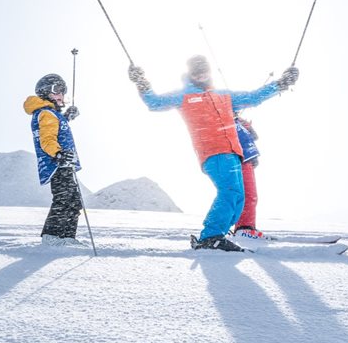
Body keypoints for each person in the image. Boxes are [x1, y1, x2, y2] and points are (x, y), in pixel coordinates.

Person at [127, 55, 298, 251]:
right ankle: (211, 236)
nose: (200, 74)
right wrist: (141, 81)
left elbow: (254, 97)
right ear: (190, 73)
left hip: (233, 152)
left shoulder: (224, 95)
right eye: (195, 71)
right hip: (213, 151)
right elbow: (154, 102)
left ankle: (218, 235)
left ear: (209, 71)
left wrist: (281, 84)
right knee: (229, 191)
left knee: (238, 197)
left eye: (203, 70)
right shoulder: (184, 96)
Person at [24, 73, 85, 246]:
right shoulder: (46, 113)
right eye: (57, 90)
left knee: (72, 200)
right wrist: (59, 154)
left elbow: (54, 129)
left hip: (62, 163)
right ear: (45, 92)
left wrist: (66, 117)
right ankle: (52, 236)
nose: (61, 94)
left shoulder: (50, 114)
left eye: (63, 91)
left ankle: (66, 238)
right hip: (57, 163)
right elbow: (47, 139)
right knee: (65, 199)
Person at [232, 113, 263, 238]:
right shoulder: (226, 121)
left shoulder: (238, 122)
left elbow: (254, 137)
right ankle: (244, 227)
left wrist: (246, 125)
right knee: (247, 194)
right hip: (239, 159)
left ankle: (247, 227)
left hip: (247, 159)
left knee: (251, 195)